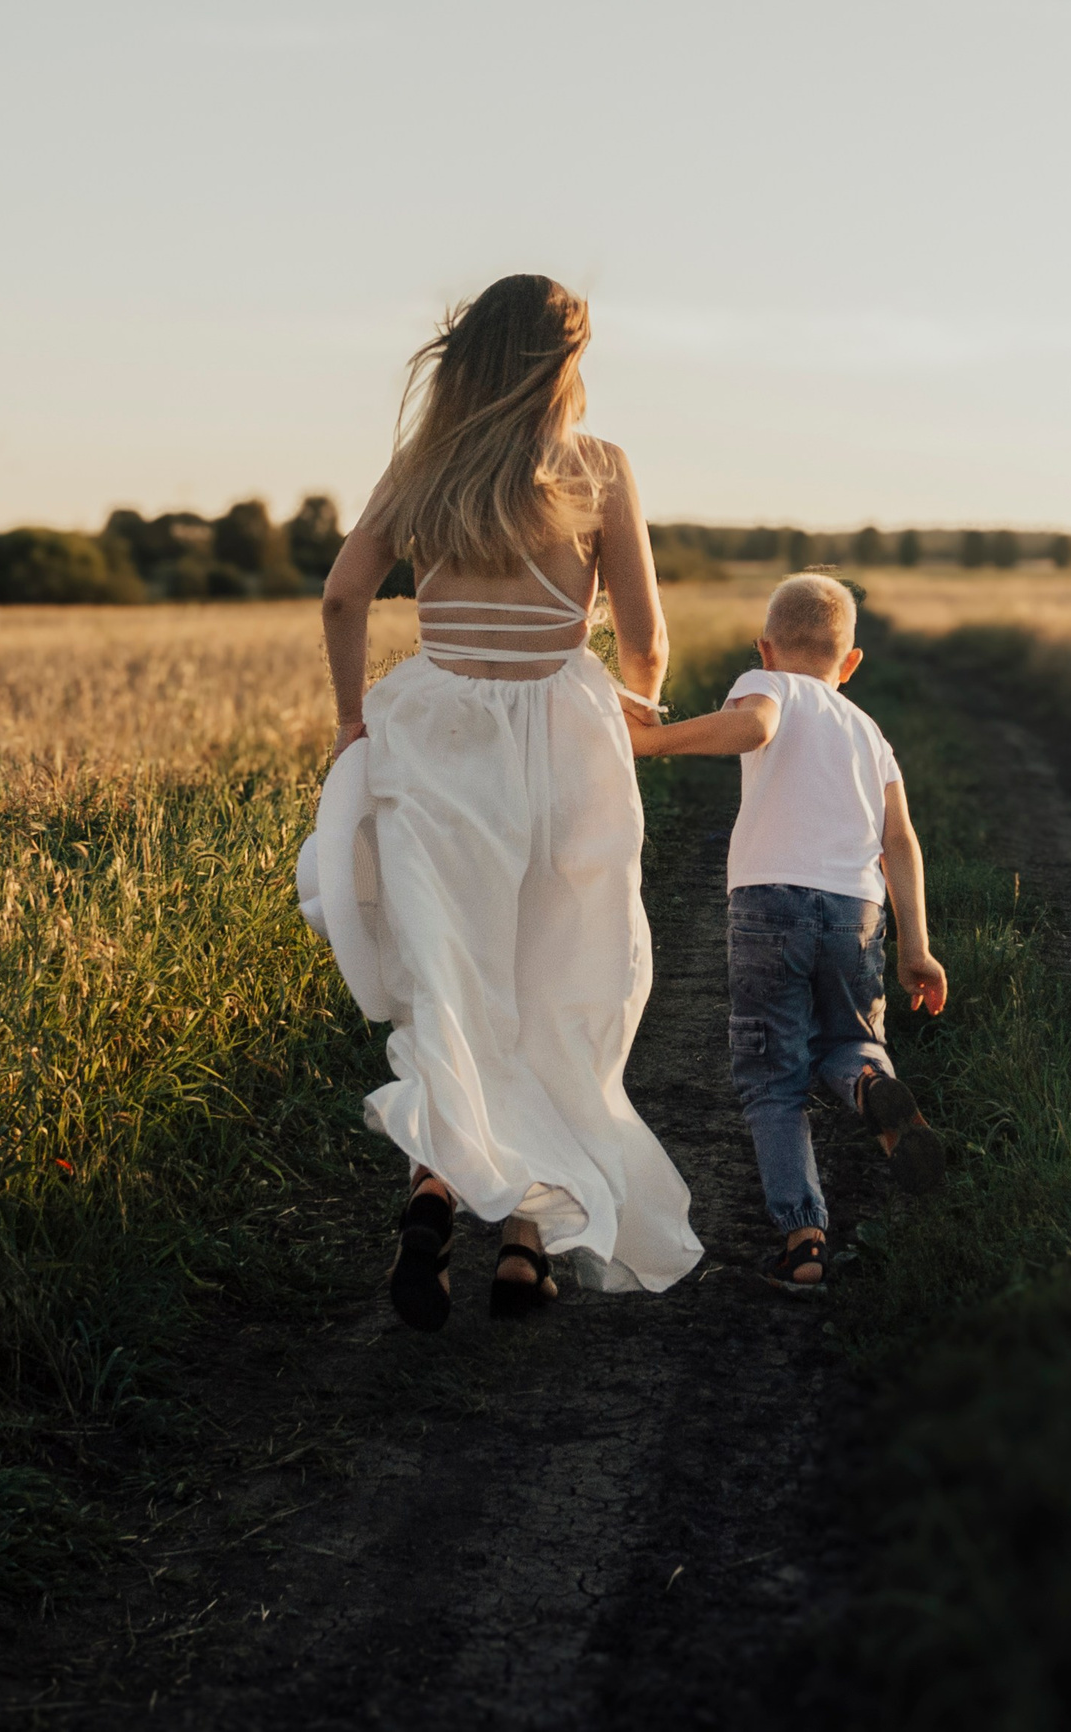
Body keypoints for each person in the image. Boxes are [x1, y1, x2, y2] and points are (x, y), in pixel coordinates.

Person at [317, 274, 704, 1331]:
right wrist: (635, 715)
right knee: (559, 980)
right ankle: (528, 1249)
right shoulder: (598, 466)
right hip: (563, 740)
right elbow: (645, 636)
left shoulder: (424, 466)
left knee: (452, 979)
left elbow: (344, 593)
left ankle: (433, 1191)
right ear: (562, 362)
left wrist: (351, 718)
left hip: (437, 735)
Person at [633, 573, 948, 1290]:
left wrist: (650, 743)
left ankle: (804, 1238)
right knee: (849, 1041)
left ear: (765, 649)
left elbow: (754, 728)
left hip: (769, 902)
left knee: (773, 1079)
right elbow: (900, 840)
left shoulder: (766, 685)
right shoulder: (870, 732)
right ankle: (870, 1085)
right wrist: (916, 947)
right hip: (854, 912)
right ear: (851, 662)